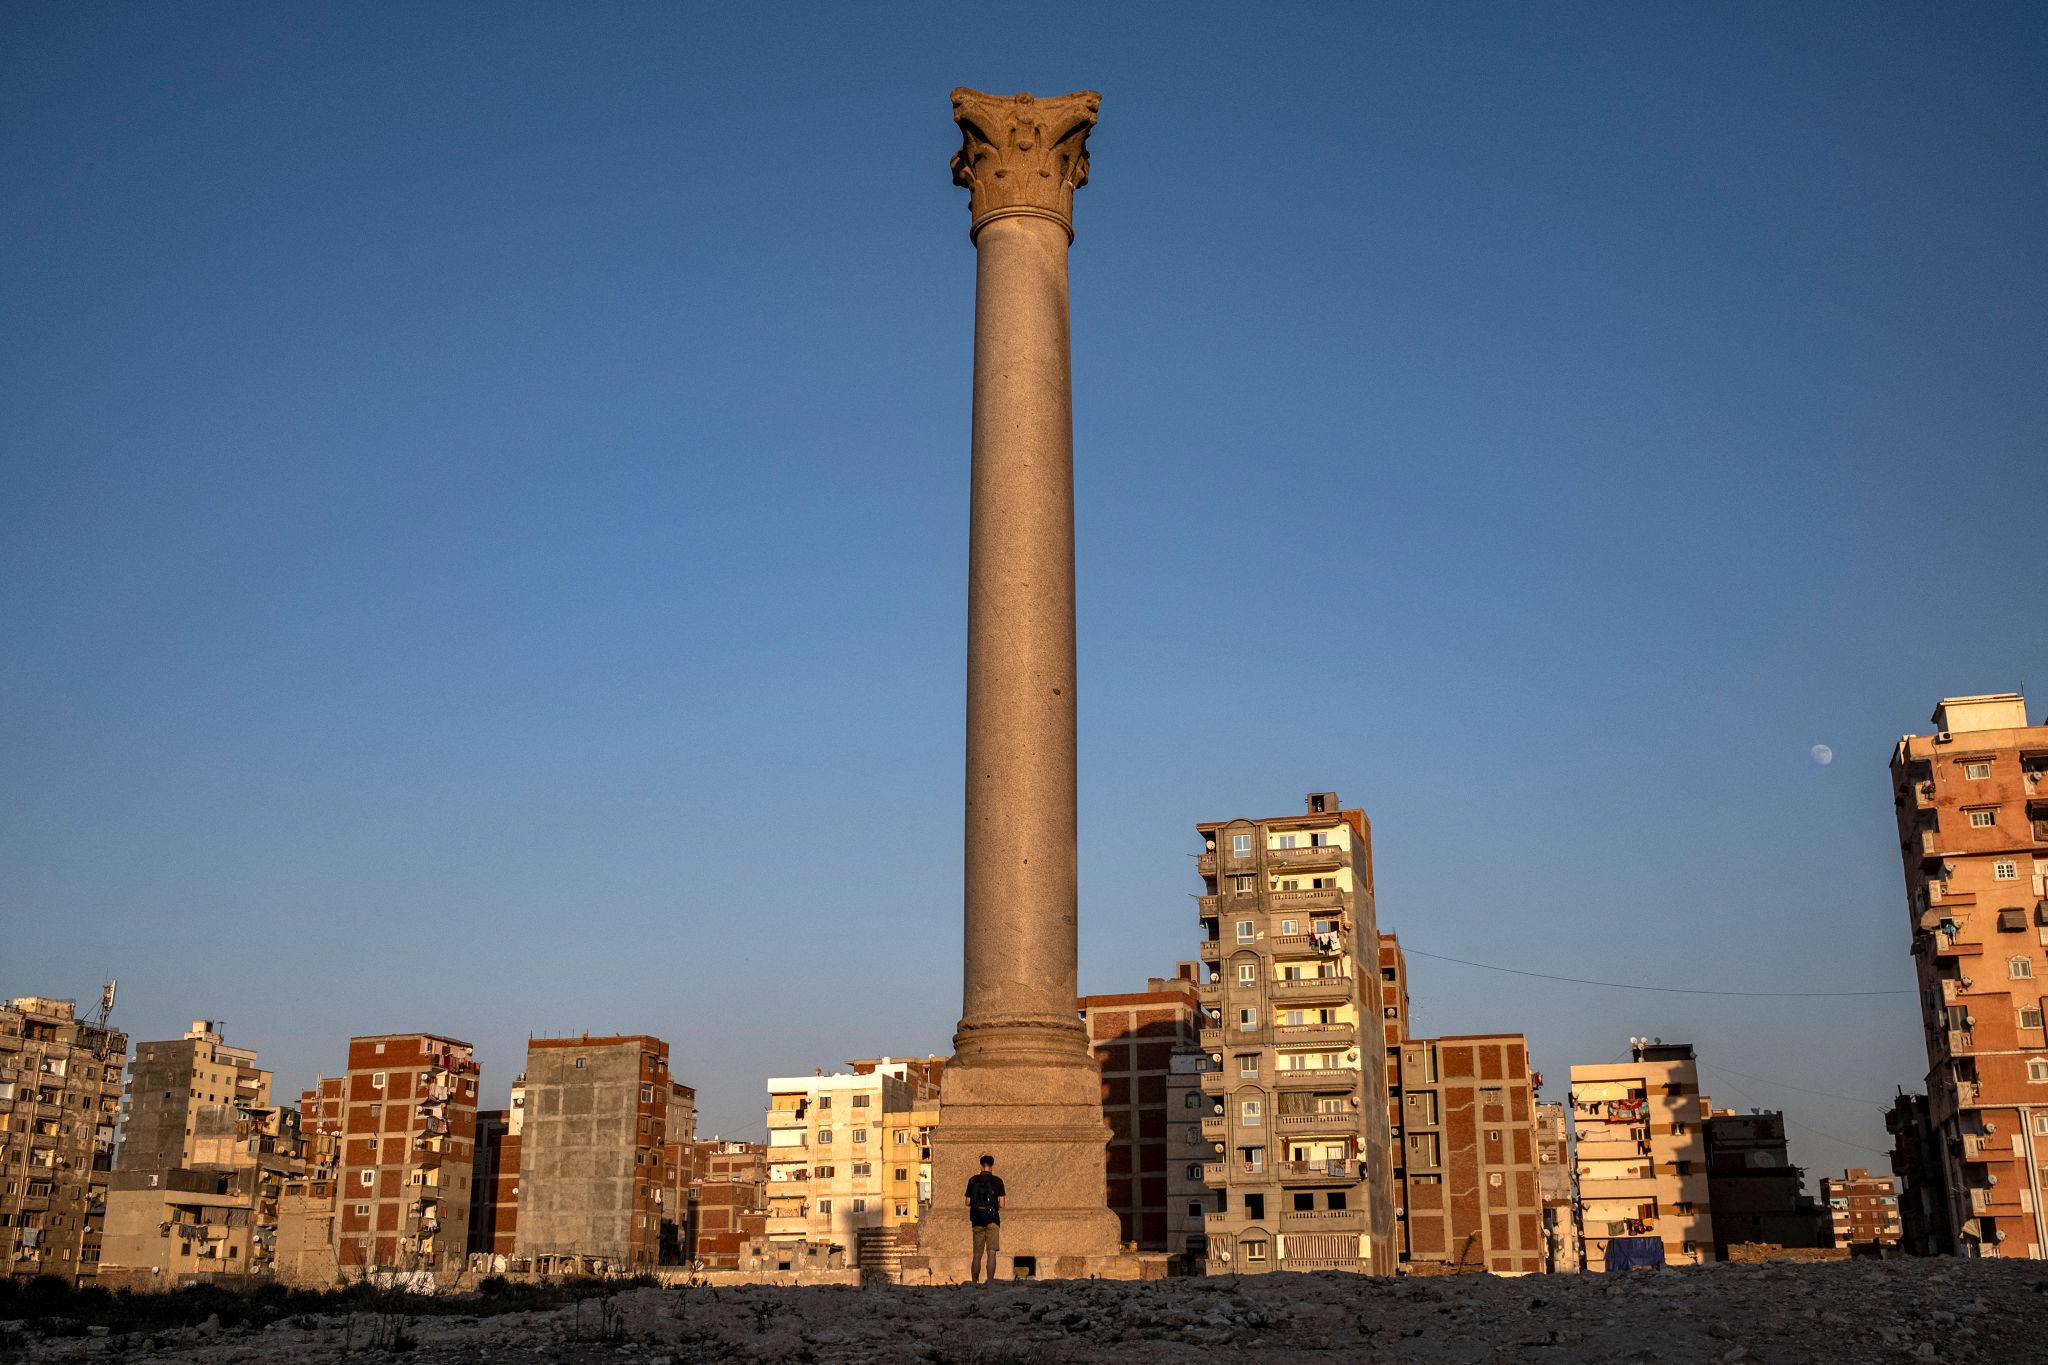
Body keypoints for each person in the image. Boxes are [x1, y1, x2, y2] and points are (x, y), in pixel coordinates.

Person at [964, 1153, 1005, 1283]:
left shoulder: (973, 1180)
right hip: (993, 1220)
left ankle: (974, 1282)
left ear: (981, 1165)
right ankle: (990, 1281)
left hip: (977, 1220)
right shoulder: (998, 1181)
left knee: (977, 1254)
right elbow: (1002, 1204)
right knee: (991, 1253)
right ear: (992, 1166)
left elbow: (967, 1201)